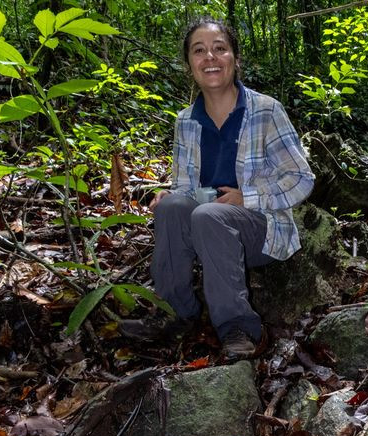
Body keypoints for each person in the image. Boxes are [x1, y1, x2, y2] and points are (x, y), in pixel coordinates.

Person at [120, 17, 315, 359]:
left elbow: (302, 178)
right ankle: (175, 313)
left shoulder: (266, 111)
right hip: (207, 230)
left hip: (262, 231)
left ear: (235, 59)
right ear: (189, 65)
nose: (210, 57)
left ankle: (237, 327)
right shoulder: (186, 121)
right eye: (199, 51)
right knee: (171, 206)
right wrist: (173, 194)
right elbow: (185, 185)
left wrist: (247, 197)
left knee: (211, 215)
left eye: (219, 49)